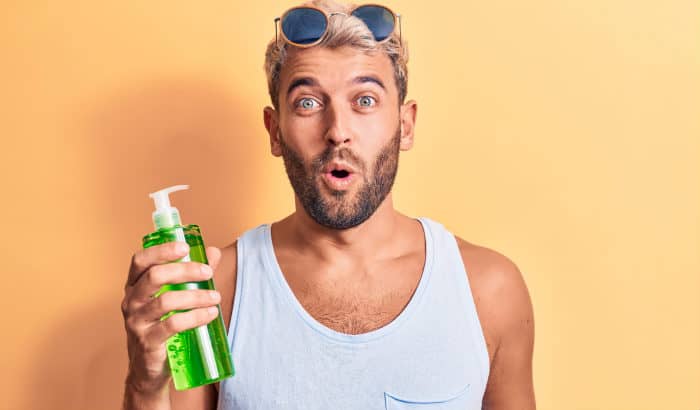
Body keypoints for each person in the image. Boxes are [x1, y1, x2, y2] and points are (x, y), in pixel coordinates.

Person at [121, 0, 536, 409]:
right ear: (275, 132)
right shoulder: (217, 291)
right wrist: (144, 385)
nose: (338, 131)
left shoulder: (487, 290)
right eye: (308, 103)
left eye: (365, 100)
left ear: (405, 125)